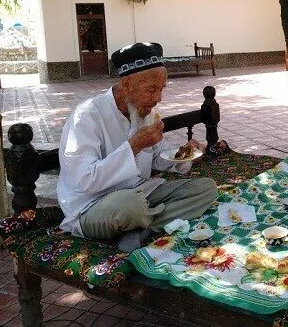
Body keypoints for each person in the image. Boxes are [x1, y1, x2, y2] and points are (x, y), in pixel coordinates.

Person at [56, 42, 218, 251]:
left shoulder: (143, 112)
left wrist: (183, 154)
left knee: (205, 188)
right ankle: (150, 222)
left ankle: (144, 229)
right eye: (151, 89)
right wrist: (133, 146)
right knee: (131, 206)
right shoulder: (86, 117)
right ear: (126, 84)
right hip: (92, 205)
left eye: (161, 89)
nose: (158, 99)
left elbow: (156, 154)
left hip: (138, 192)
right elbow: (87, 181)